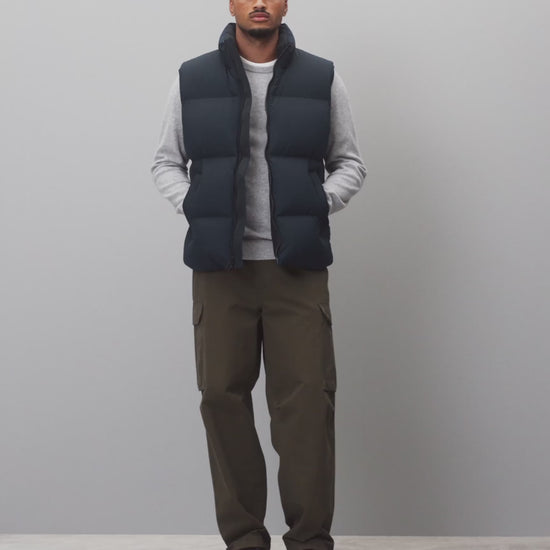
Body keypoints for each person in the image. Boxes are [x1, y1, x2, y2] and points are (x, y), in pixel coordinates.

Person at [150, 1, 367, 549]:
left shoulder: (322, 77)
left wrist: (317, 203)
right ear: (232, 3)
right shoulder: (193, 78)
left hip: (298, 270)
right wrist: (196, 205)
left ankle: (310, 540)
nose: (260, 2)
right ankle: (245, 539)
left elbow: (350, 162)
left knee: (306, 405)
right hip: (221, 270)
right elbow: (166, 161)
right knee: (221, 398)